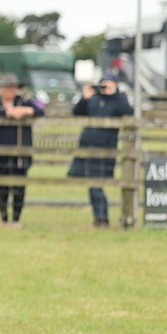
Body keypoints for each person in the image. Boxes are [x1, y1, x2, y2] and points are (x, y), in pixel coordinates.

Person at [68, 74, 133, 227]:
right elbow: (77, 112)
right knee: (92, 183)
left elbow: (128, 111)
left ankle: (102, 218)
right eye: (102, 84)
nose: (104, 88)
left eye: (108, 84)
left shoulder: (118, 100)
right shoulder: (94, 98)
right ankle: (99, 218)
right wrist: (84, 97)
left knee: (96, 183)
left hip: (106, 147)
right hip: (88, 145)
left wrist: (115, 93)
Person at [0, 73, 43, 226]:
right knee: (1, 187)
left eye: (12, 88)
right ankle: (3, 218)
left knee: (19, 188)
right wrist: (7, 112)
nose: (9, 91)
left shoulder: (24, 101)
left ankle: (15, 219)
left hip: (20, 154)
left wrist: (25, 111)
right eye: (6, 88)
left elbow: (40, 109)